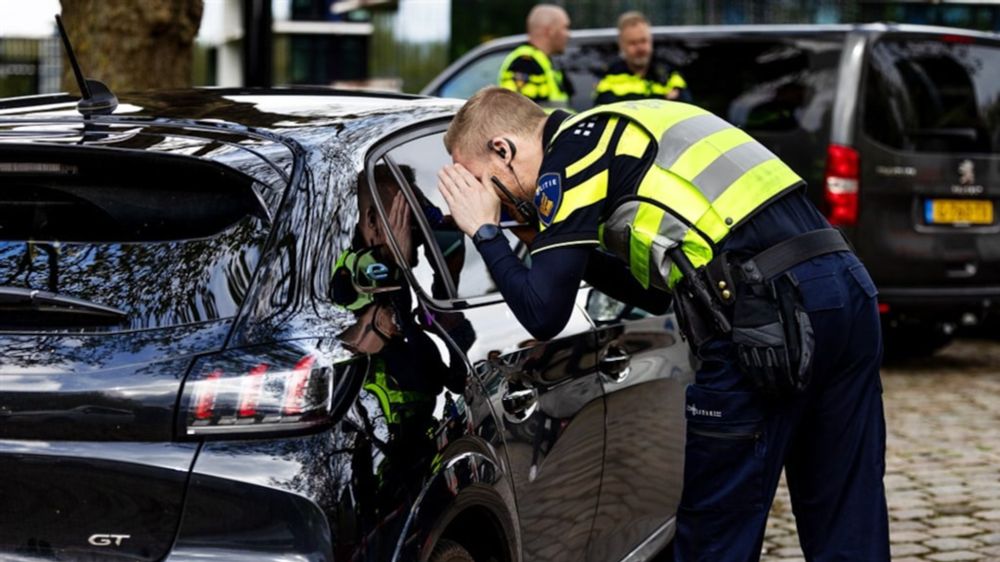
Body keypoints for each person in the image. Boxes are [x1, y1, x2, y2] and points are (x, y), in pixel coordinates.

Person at [436, 87, 889, 561]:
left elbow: (542, 314)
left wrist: (485, 233)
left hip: (762, 315)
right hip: (843, 289)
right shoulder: (628, 125)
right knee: (846, 516)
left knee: (716, 533)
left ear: (503, 150)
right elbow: (660, 290)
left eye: (482, 185)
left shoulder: (569, 155)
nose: (499, 207)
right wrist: (555, 246)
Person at [594, 11, 690, 106]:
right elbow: (603, 116)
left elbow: (687, 111)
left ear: (651, 40)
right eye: (633, 43)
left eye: (643, 41)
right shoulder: (610, 79)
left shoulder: (670, 74)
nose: (640, 48)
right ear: (621, 45)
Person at [497, 4, 574, 110]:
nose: (568, 34)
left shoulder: (544, 62)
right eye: (565, 28)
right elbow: (518, 116)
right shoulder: (524, 63)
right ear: (550, 31)